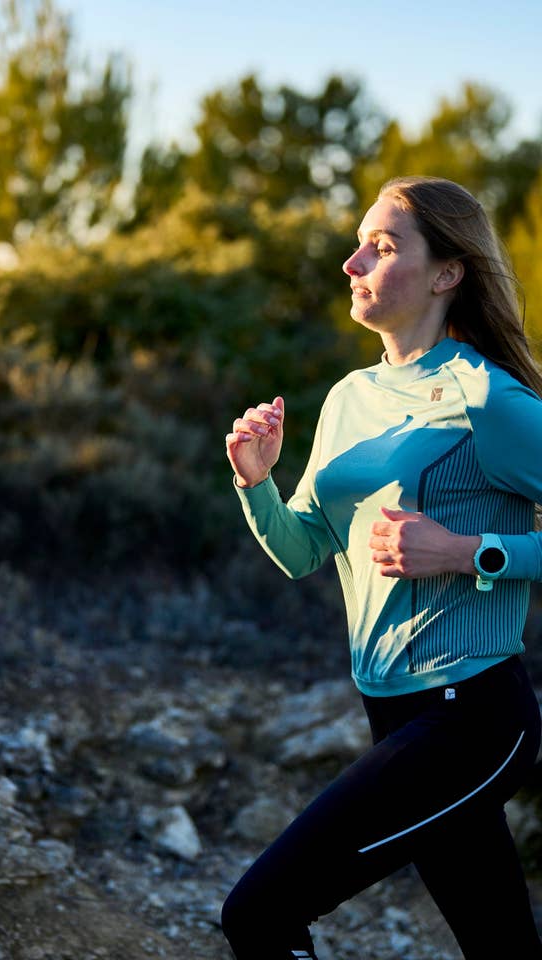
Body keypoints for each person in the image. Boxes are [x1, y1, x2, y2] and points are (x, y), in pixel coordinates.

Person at [221, 175, 542, 960]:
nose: (352, 261)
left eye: (383, 246)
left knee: (260, 914)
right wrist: (256, 483)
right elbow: (302, 548)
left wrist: (467, 551)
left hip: (473, 717)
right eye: (360, 241)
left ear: (447, 273)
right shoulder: (348, 397)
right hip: (390, 711)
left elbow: (479, 548)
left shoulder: (489, 398)